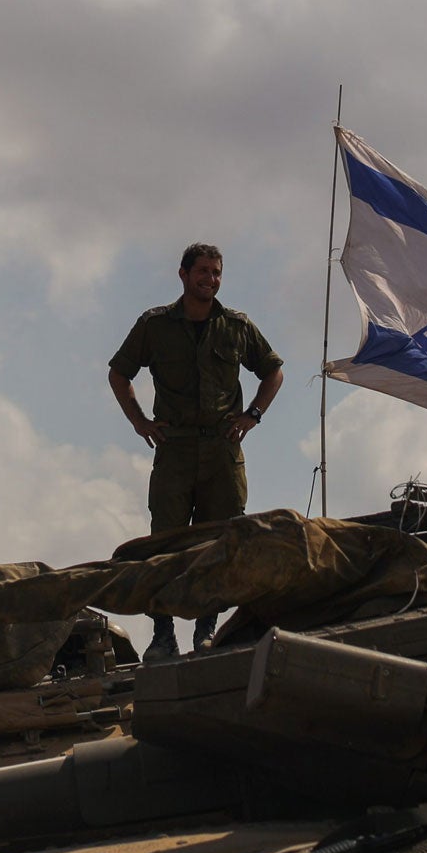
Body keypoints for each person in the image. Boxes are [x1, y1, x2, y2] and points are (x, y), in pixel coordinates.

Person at [108, 242, 285, 659]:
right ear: (184, 274)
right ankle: (163, 635)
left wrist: (252, 415)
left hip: (223, 449)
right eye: (202, 271)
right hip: (176, 449)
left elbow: (273, 370)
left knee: (220, 544)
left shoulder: (236, 325)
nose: (210, 280)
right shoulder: (155, 325)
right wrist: (139, 422)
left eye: (216, 273)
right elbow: (119, 374)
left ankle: (206, 633)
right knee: (163, 544)